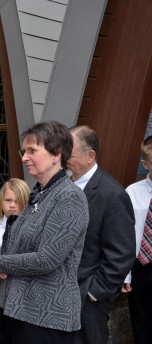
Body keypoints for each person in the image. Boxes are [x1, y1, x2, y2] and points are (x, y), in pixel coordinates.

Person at [0, 120, 89, 343]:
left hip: (46, 318)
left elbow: (47, 259)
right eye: (24, 151)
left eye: (33, 150)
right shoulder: (39, 193)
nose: (24, 157)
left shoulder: (69, 197)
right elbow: (18, 244)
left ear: (56, 154)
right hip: (15, 309)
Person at [67, 125, 135, 344]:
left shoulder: (113, 194)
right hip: (58, 296)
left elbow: (122, 254)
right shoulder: (62, 186)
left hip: (88, 301)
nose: (62, 157)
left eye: (70, 152)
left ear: (90, 156)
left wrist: (93, 294)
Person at [0, 178, 30, 344]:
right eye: (8, 200)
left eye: (18, 201)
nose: (12, 205)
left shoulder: (30, 230)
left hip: (21, 291)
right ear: (1, 201)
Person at [123, 135, 152, 344]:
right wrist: (125, 274)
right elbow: (125, 235)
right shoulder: (132, 192)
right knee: (141, 326)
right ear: (145, 164)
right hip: (140, 267)